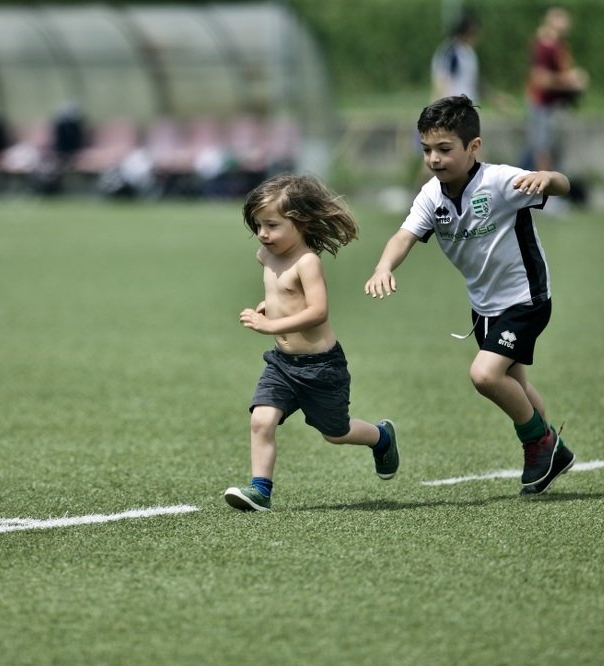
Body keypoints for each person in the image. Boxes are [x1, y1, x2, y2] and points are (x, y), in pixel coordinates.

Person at [364, 95, 575, 496]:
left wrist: (547, 178)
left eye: (444, 149)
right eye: (426, 149)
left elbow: (562, 186)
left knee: (484, 374)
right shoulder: (432, 196)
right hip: (484, 308)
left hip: (526, 298)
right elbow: (403, 236)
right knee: (518, 387)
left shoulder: (498, 182)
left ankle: (539, 444)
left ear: (473, 147)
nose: (434, 159)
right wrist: (383, 267)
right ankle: (555, 453)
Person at [224, 174, 399, 512]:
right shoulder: (266, 255)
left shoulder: (308, 262)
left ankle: (382, 437)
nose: (262, 233)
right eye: (258, 224)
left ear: (300, 222)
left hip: (321, 367)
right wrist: (268, 304)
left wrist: (270, 323)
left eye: (272, 225)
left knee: (336, 433)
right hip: (282, 363)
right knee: (261, 419)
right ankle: (260, 491)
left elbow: (318, 312)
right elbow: (280, 291)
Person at [525, 6, 589, 173]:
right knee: (542, 148)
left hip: (554, 105)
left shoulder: (559, 45)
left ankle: (552, 188)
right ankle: (544, 191)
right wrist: (570, 80)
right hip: (543, 103)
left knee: (552, 147)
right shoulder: (544, 45)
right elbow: (540, 78)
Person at [431, 11, 482, 102]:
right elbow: (441, 80)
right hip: (452, 108)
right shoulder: (451, 51)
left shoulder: (467, 52)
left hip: (465, 108)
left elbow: (471, 82)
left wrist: (495, 98)